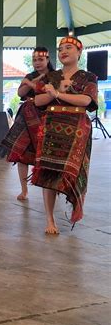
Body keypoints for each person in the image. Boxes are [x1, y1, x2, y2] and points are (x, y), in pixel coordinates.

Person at [31, 36, 98, 234]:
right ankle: (50, 219)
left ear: (79, 53)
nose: (63, 52)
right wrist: (52, 93)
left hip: (77, 127)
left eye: (68, 48)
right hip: (52, 127)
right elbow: (38, 101)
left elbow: (86, 100)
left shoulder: (88, 77)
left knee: (72, 172)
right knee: (49, 172)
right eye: (60, 49)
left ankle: (73, 206)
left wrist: (58, 94)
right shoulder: (52, 76)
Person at [0, 47, 54, 201]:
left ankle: (51, 189)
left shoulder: (55, 76)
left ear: (48, 60)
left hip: (46, 117)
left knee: (47, 155)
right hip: (26, 115)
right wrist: (31, 82)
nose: (37, 62)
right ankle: (24, 190)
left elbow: (49, 93)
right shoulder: (31, 75)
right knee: (21, 154)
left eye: (40, 59)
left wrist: (31, 85)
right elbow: (20, 93)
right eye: (34, 60)